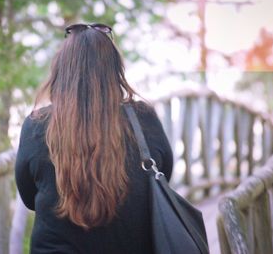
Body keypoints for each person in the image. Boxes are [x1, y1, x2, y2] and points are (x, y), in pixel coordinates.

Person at [15, 23, 173, 254]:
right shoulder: (143, 119)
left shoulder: (36, 125)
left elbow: (29, 198)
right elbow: (162, 179)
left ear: (62, 71)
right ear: (114, 71)